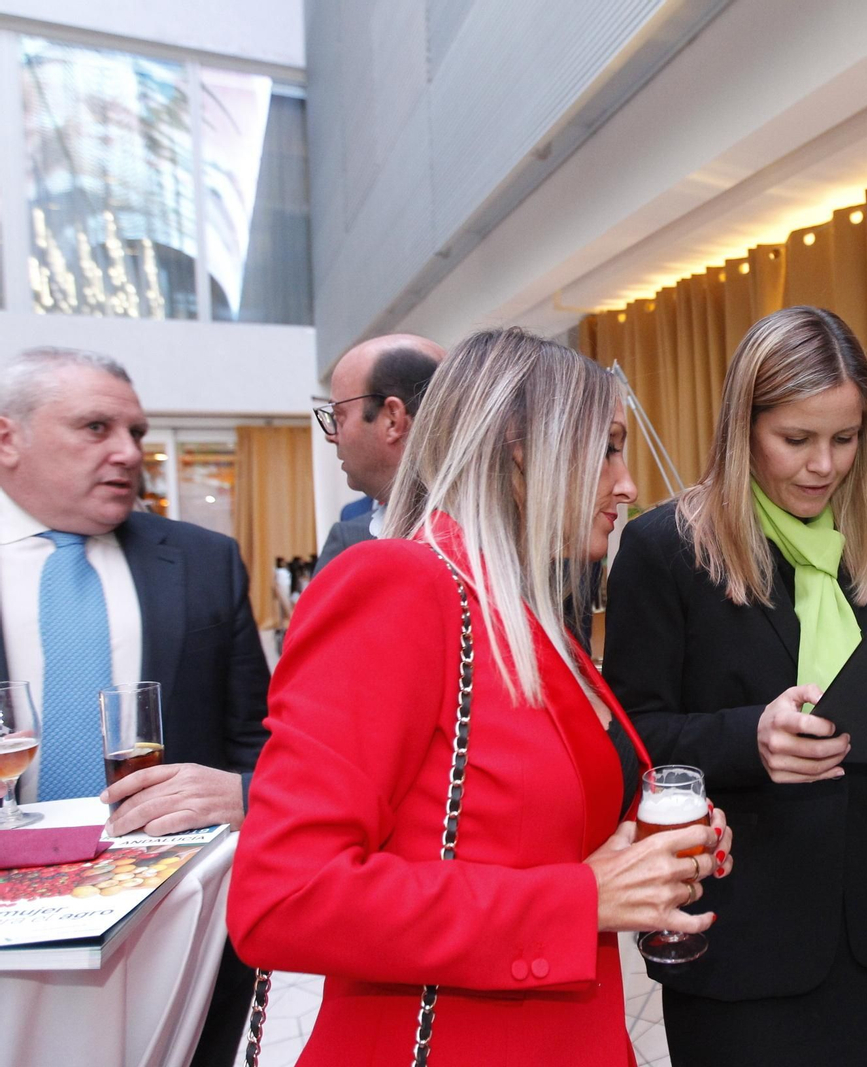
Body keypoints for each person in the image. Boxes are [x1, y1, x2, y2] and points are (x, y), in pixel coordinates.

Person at [228, 329, 735, 1065]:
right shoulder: (400, 588)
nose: (626, 485)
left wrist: (646, 845)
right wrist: (580, 900)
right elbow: (284, 896)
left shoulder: (522, 612)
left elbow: (522, 819)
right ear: (521, 449)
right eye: (607, 448)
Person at [603, 305, 867, 1067]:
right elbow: (628, 738)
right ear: (743, 428)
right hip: (739, 927)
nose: (823, 465)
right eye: (796, 440)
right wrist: (750, 739)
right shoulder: (664, 548)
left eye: (845, 438)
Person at [0, 346, 271, 1067]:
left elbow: (258, 735)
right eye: (95, 428)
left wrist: (247, 799)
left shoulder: (206, 560)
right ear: (7, 439)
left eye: (138, 433)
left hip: (172, 925)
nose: (127, 452)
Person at [312, 333, 444, 575]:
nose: (331, 436)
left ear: (393, 420)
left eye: (339, 416)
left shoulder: (352, 548)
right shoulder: (505, 526)